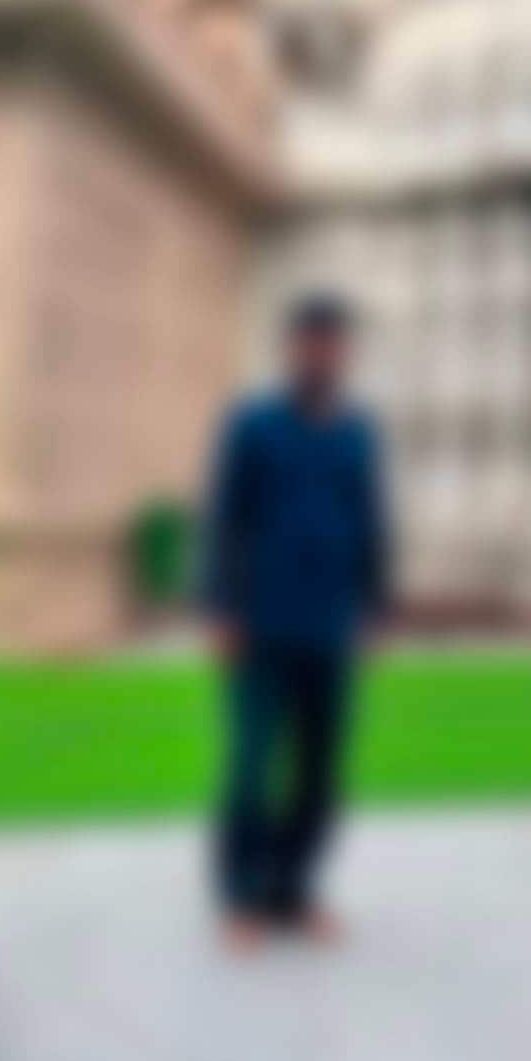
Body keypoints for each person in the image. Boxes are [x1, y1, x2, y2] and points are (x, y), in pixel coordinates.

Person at [202, 292, 390, 953]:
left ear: (345, 353)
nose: (323, 354)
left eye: (333, 344)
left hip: (331, 627)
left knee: (319, 771)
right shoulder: (253, 424)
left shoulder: (359, 431)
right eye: (312, 342)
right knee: (251, 767)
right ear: (291, 349)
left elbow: (371, 521)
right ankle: (241, 898)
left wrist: (373, 608)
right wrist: (222, 608)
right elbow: (225, 518)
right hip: (259, 626)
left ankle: (295, 891)